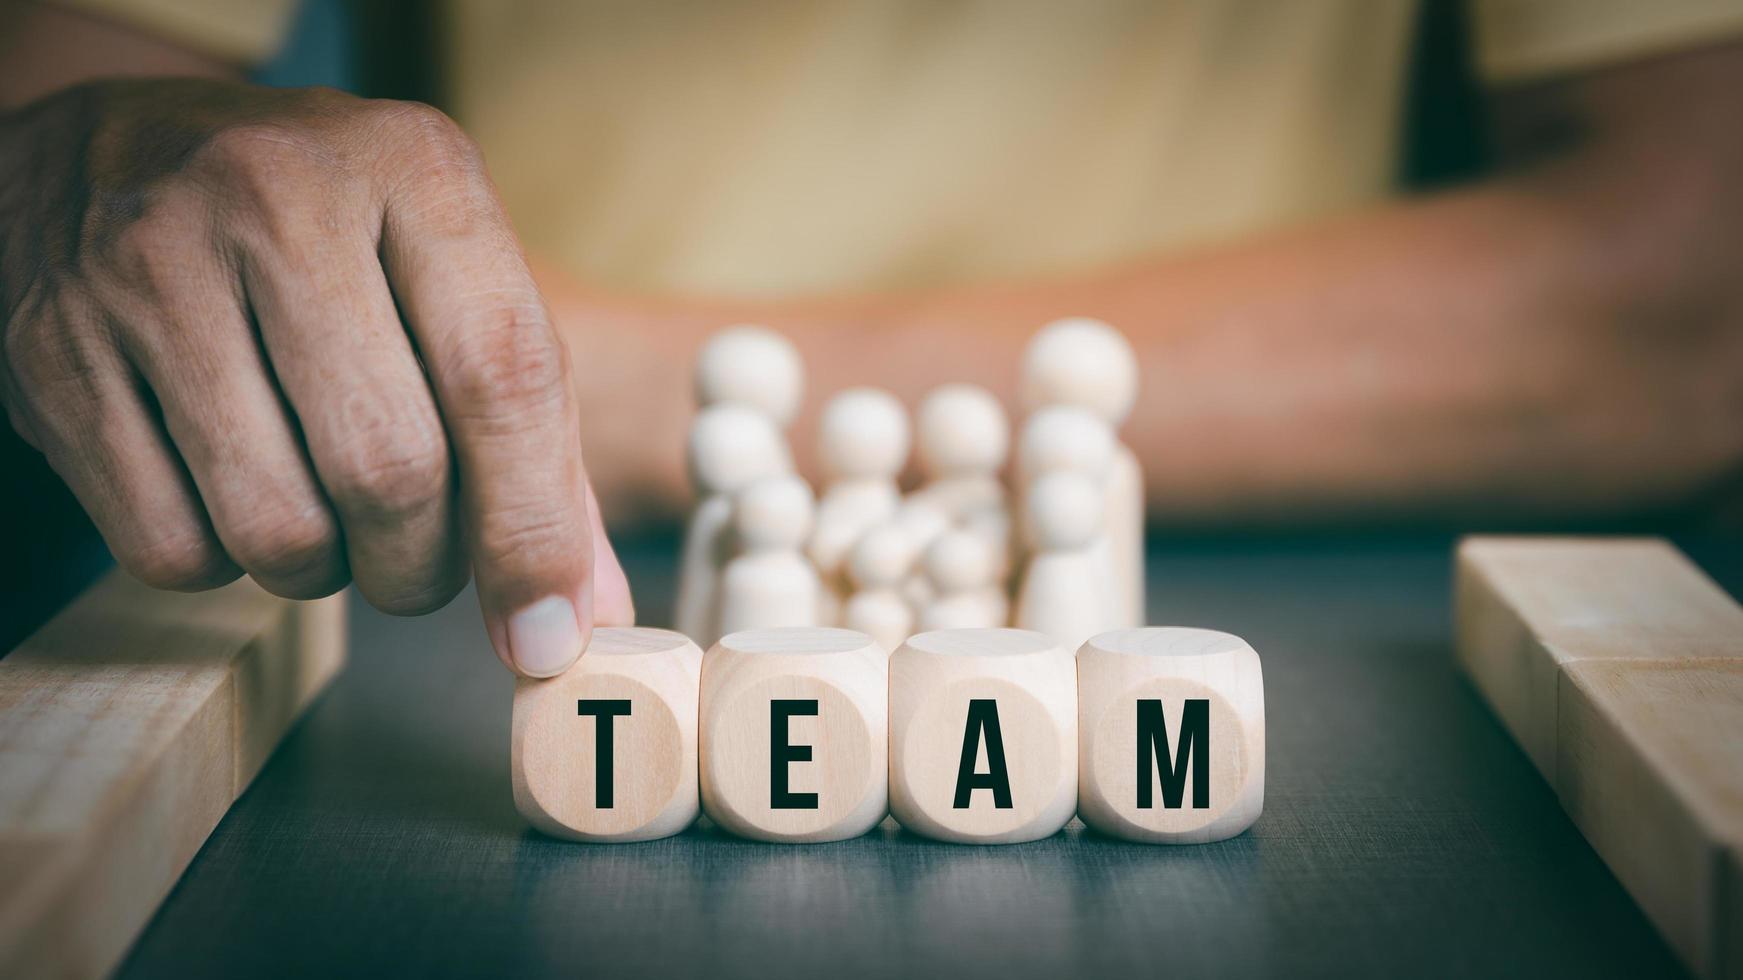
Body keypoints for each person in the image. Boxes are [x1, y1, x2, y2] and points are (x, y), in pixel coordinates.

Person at [2, 0, 1740, 678]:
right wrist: (86, 160)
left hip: (1330, 581)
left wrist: (605, 393)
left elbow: (1688, 277)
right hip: (481, 587)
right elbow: (59, 80)